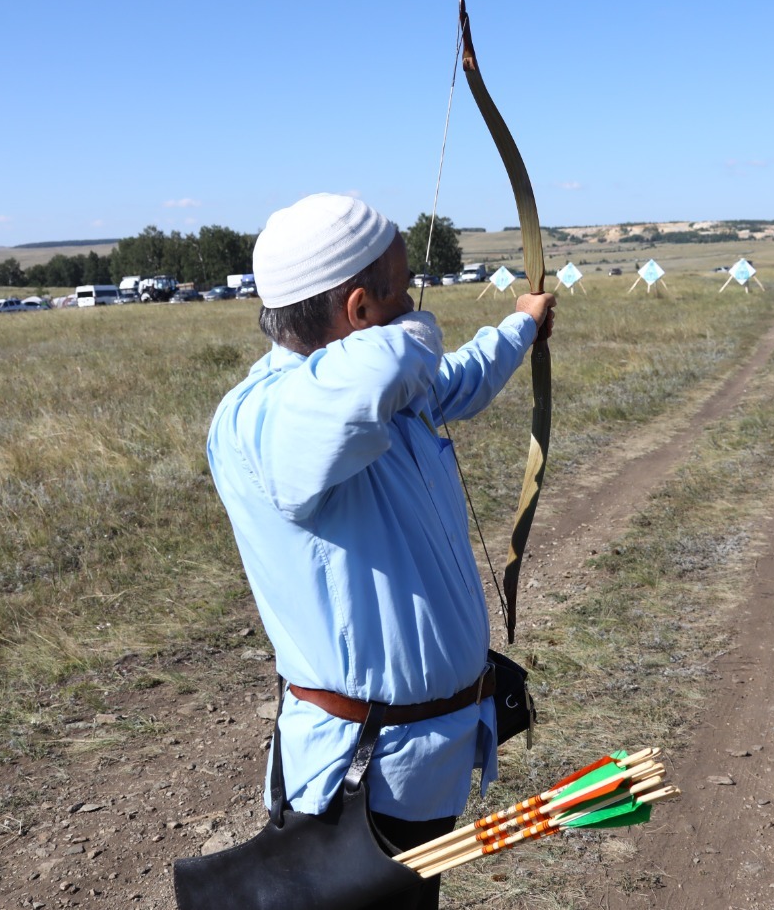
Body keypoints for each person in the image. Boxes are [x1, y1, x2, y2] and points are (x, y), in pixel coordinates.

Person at [206, 193, 555, 909]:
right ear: (360, 309)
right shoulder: (265, 417)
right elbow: (394, 364)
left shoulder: (373, 393)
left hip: (421, 766)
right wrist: (412, 331)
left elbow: (453, 379)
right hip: (357, 782)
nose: (416, 309)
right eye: (402, 293)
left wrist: (520, 325)